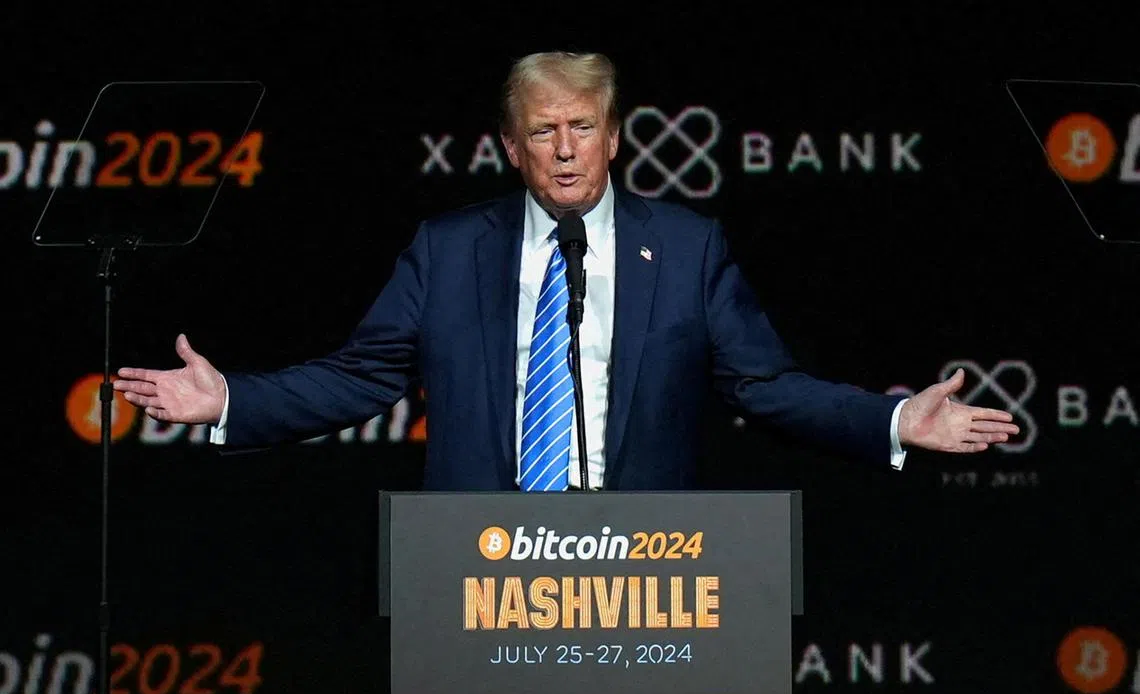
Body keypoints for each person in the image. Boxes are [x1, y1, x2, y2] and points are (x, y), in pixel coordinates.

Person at [114, 51, 1018, 491]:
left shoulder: (690, 249)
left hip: (647, 589)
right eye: (543, 131)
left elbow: (768, 387)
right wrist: (232, 399)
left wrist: (893, 417)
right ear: (512, 146)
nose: (566, 150)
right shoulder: (449, 248)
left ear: (617, 136)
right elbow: (360, 378)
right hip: (479, 583)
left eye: (584, 126)